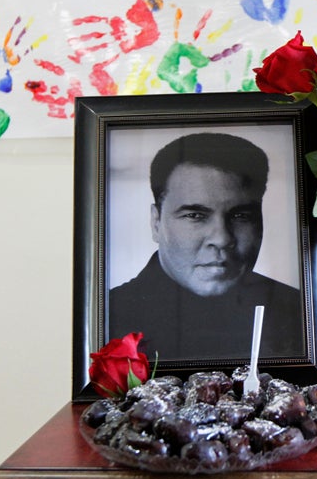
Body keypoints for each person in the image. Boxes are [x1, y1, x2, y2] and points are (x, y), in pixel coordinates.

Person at [108, 132, 304, 361]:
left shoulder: (298, 312)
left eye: (241, 215)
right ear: (156, 222)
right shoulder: (110, 318)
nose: (221, 239)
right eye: (195, 215)